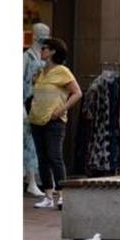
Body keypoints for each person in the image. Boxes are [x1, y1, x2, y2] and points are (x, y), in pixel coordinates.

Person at [28, 37, 82, 210]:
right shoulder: (41, 72)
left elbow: (77, 93)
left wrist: (61, 110)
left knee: (54, 157)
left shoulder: (63, 71)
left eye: (44, 48)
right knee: (42, 159)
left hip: (54, 121)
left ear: (52, 51)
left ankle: (62, 195)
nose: (41, 51)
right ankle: (48, 196)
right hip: (36, 120)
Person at [23, 26, 46, 198]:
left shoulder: (43, 57)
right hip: (27, 103)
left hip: (40, 104)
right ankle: (31, 181)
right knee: (28, 143)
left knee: (36, 143)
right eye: (43, 34)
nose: (45, 37)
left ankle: (34, 179)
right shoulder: (26, 57)